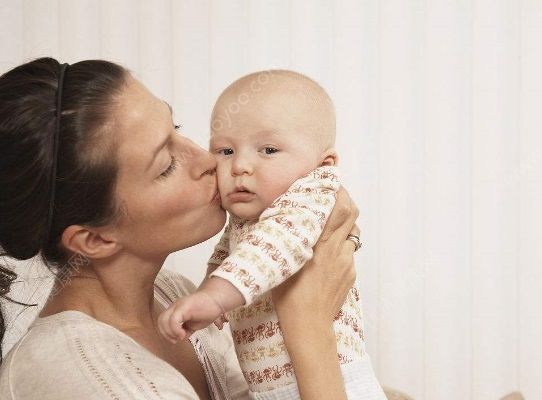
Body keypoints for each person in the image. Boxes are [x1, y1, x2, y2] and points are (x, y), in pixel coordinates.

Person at [0, 57, 360, 400]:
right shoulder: (85, 381)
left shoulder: (172, 295)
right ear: (95, 238)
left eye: (176, 129)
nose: (209, 160)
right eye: (167, 165)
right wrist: (308, 324)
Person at [158, 71, 385, 399]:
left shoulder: (311, 193)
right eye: (225, 151)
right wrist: (211, 287)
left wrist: (213, 298)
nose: (240, 166)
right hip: (276, 385)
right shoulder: (248, 219)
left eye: (267, 149)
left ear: (323, 163)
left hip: (340, 381)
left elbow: (275, 247)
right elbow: (228, 256)